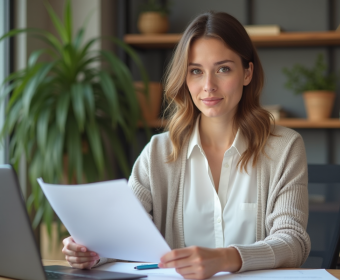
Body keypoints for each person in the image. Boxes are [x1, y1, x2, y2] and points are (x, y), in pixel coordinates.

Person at [62, 11, 311, 280]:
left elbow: (293, 241)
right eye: (196, 71)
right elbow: (124, 231)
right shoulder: (158, 153)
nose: (208, 86)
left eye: (223, 69)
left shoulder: (285, 148)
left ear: (247, 73)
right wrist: (93, 250)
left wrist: (225, 258)